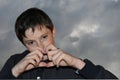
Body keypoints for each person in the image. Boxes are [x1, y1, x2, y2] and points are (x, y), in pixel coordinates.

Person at [0, 7, 118, 79]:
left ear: (53, 31)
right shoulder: (14, 62)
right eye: (31, 42)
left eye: (44, 37)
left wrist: (77, 63)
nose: (40, 47)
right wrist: (15, 72)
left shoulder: (73, 66)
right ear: (23, 44)